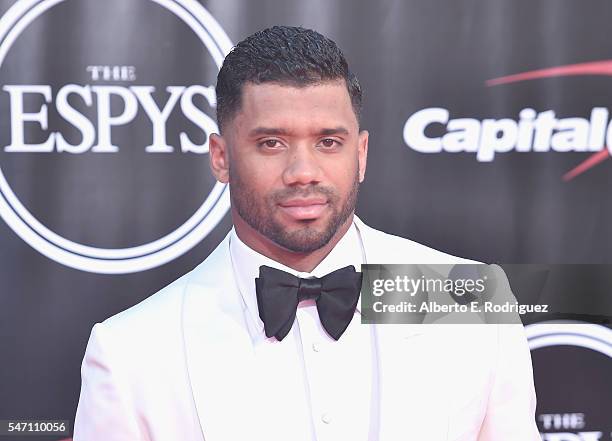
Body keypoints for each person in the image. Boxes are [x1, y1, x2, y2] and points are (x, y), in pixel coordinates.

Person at [73, 26, 540, 441]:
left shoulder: (470, 302)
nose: (303, 172)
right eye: (271, 143)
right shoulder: (131, 352)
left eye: (328, 142)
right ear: (220, 157)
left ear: (360, 154)